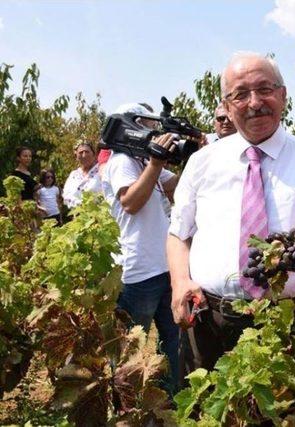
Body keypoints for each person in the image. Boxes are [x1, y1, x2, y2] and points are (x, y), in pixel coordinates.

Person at [167, 52, 295, 376]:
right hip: (209, 321)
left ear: (283, 96)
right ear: (227, 106)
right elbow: (179, 232)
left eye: (265, 89)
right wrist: (179, 281)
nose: (255, 102)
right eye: (240, 94)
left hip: (291, 321)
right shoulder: (202, 162)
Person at [102, 102, 180, 392]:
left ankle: (167, 403)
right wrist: (156, 163)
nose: (154, 132)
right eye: (148, 125)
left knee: (173, 343)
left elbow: (178, 189)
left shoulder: (145, 161)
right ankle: (126, 408)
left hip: (164, 266)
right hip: (138, 273)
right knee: (128, 351)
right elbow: (131, 202)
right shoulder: (122, 161)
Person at [62, 142, 102, 209]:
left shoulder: (102, 171)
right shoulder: (73, 175)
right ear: (77, 157)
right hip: (78, 214)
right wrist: (78, 205)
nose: (84, 155)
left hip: (99, 215)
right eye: (80, 153)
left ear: (94, 155)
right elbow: (66, 195)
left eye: (87, 152)